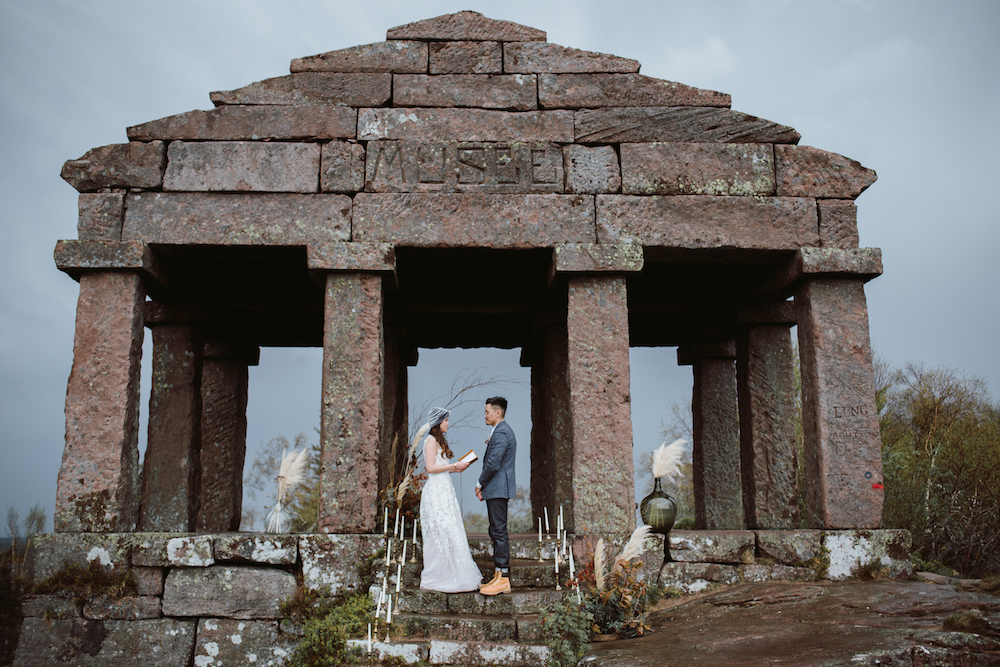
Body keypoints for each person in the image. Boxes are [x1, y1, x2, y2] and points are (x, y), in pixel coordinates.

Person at [418, 407, 483, 593]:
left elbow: (441, 466)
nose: (448, 424)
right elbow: (430, 468)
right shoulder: (430, 441)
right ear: (439, 423)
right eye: (446, 421)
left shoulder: (438, 441)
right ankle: (438, 574)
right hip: (436, 490)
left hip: (445, 488)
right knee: (441, 528)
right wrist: (453, 465)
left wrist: (455, 468)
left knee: (451, 527)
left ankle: (453, 572)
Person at [476, 396, 516, 596]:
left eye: (487, 412)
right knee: (496, 531)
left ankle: (503, 579)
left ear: (498, 412)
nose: (485, 415)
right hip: (497, 489)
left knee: (499, 532)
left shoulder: (501, 432)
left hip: (498, 488)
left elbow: (493, 463)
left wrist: (479, 483)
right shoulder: (500, 431)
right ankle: (498, 575)